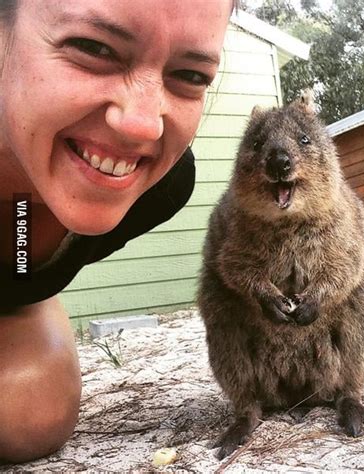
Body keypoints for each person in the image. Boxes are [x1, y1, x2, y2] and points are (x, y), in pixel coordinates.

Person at [0, 0, 234, 463]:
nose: (142, 124)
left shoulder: (155, 189)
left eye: (190, 75)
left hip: (16, 285)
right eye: (93, 47)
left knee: (30, 417)